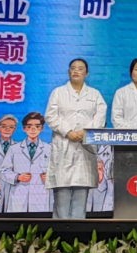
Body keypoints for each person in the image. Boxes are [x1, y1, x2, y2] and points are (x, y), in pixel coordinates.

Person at [45, 58, 107, 219]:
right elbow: (51, 116)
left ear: (87, 73)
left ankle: (78, 232)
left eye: (80, 68)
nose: (76, 71)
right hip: (64, 144)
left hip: (85, 146)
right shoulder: (58, 93)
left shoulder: (95, 94)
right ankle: (59, 231)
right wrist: (68, 131)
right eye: (73, 68)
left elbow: (100, 117)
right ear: (68, 72)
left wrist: (85, 132)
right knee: (62, 194)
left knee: (81, 193)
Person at [2, 112, 52, 213]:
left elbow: (58, 172)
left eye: (37, 126)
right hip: (19, 194)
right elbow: (3, 171)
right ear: (24, 129)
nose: (33, 130)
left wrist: (50, 178)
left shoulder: (49, 149)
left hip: (40, 195)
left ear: (42, 128)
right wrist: (18, 177)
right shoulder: (14, 149)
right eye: (29, 126)